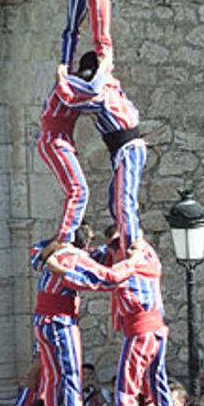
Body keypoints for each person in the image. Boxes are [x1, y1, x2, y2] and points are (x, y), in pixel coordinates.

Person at [30, 225, 142, 406]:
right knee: (72, 376)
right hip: (60, 322)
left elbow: (36, 251)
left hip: (41, 323)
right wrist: (134, 260)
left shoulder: (50, 252)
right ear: (86, 243)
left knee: (53, 378)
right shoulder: (76, 259)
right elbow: (109, 277)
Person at [50, 53, 146, 255]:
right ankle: (126, 236)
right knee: (116, 199)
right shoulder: (111, 86)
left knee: (123, 200)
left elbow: (73, 102)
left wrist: (62, 81)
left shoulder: (102, 92)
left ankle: (132, 245)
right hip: (124, 149)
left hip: (127, 148)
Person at [38, 53, 110, 243]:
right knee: (78, 190)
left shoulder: (70, 84)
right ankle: (65, 237)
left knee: (75, 189)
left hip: (59, 140)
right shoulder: (70, 85)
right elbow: (85, 97)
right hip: (55, 141)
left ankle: (72, 232)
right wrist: (104, 72)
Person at [110, 234, 173, 406]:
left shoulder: (127, 273)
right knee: (157, 380)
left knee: (126, 388)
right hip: (157, 331)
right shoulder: (151, 262)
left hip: (141, 331)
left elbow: (107, 278)